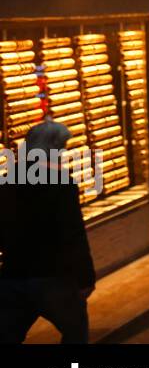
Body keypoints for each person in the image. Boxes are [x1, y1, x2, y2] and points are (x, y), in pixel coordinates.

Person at [0, 119, 96, 344]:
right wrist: (85, 277)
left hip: (14, 275)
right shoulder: (60, 184)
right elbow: (73, 235)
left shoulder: (6, 182)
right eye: (62, 148)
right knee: (75, 331)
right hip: (53, 277)